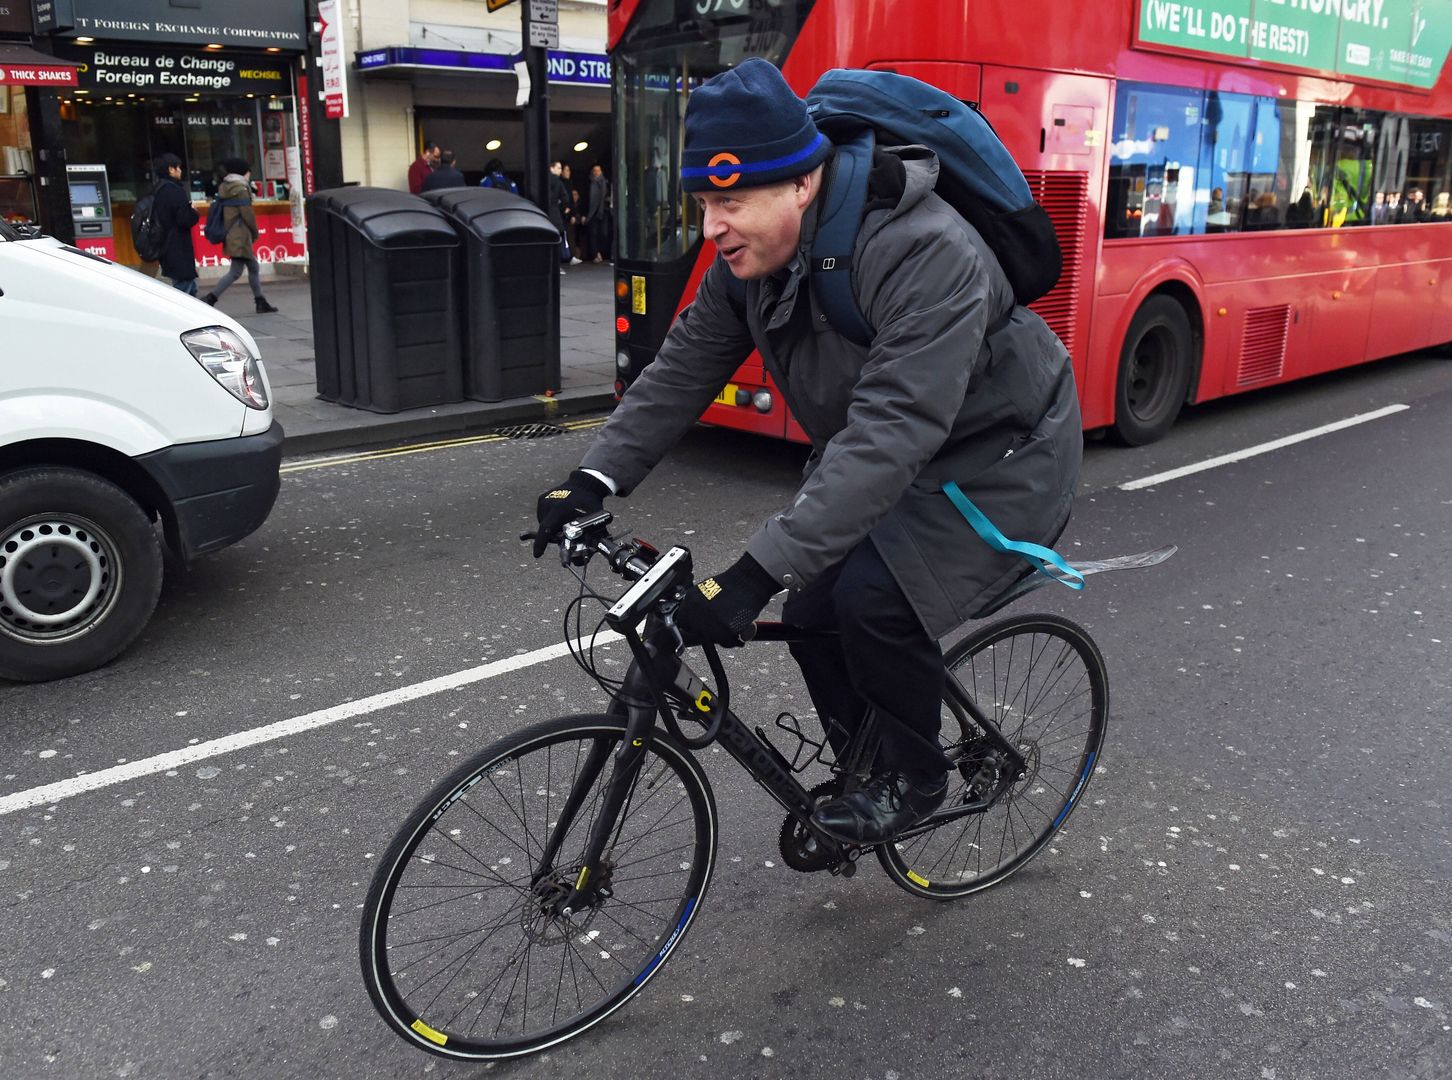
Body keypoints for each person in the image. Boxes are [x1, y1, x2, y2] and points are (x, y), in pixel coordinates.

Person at [530, 59, 1080, 844]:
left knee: (868, 602)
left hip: (996, 454)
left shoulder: (926, 252)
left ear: (802, 183)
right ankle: (868, 757)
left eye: (730, 201)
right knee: (815, 602)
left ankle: (915, 779)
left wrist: (749, 576)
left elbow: (895, 428)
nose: (711, 226)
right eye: (702, 203)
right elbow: (683, 366)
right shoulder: (749, 263)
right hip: (887, 448)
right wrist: (591, 478)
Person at [202, 159, 279, 314]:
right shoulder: (240, 189)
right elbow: (247, 214)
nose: (250, 174)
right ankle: (210, 298)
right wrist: (255, 232)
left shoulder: (226, 186)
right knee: (236, 272)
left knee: (252, 267)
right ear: (242, 172)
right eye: (248, 171)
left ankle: (260, 301)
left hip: (233, 234)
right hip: (240, 236)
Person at [149, 152, 200, 295]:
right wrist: (193, 212)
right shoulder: (174, 190)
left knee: (190, 287)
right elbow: (184, 219)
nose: (180, 170)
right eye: (178, 167)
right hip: (177, 246)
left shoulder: (159, 189)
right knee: (183, 288)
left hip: (166, 244)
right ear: (171, 169)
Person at [547, 160, 580, 271]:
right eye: (558, 168)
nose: (560, 170)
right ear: (552, 168)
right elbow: (565, 197)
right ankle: (560, 262)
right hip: (556, 212)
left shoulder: (543, 181)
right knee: (559, 236)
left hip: (545, 213)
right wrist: (564, 208)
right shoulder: (558, 182)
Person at [585, 164, 611, 262]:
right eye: (595, 170)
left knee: (603, 233)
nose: (597, 173)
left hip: (603, 211)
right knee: (593, 234)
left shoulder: (605, 183)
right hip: (592, 212)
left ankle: (602, 252)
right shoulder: (589, 183)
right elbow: (586, 199)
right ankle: (596, 254)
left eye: (598, 170)